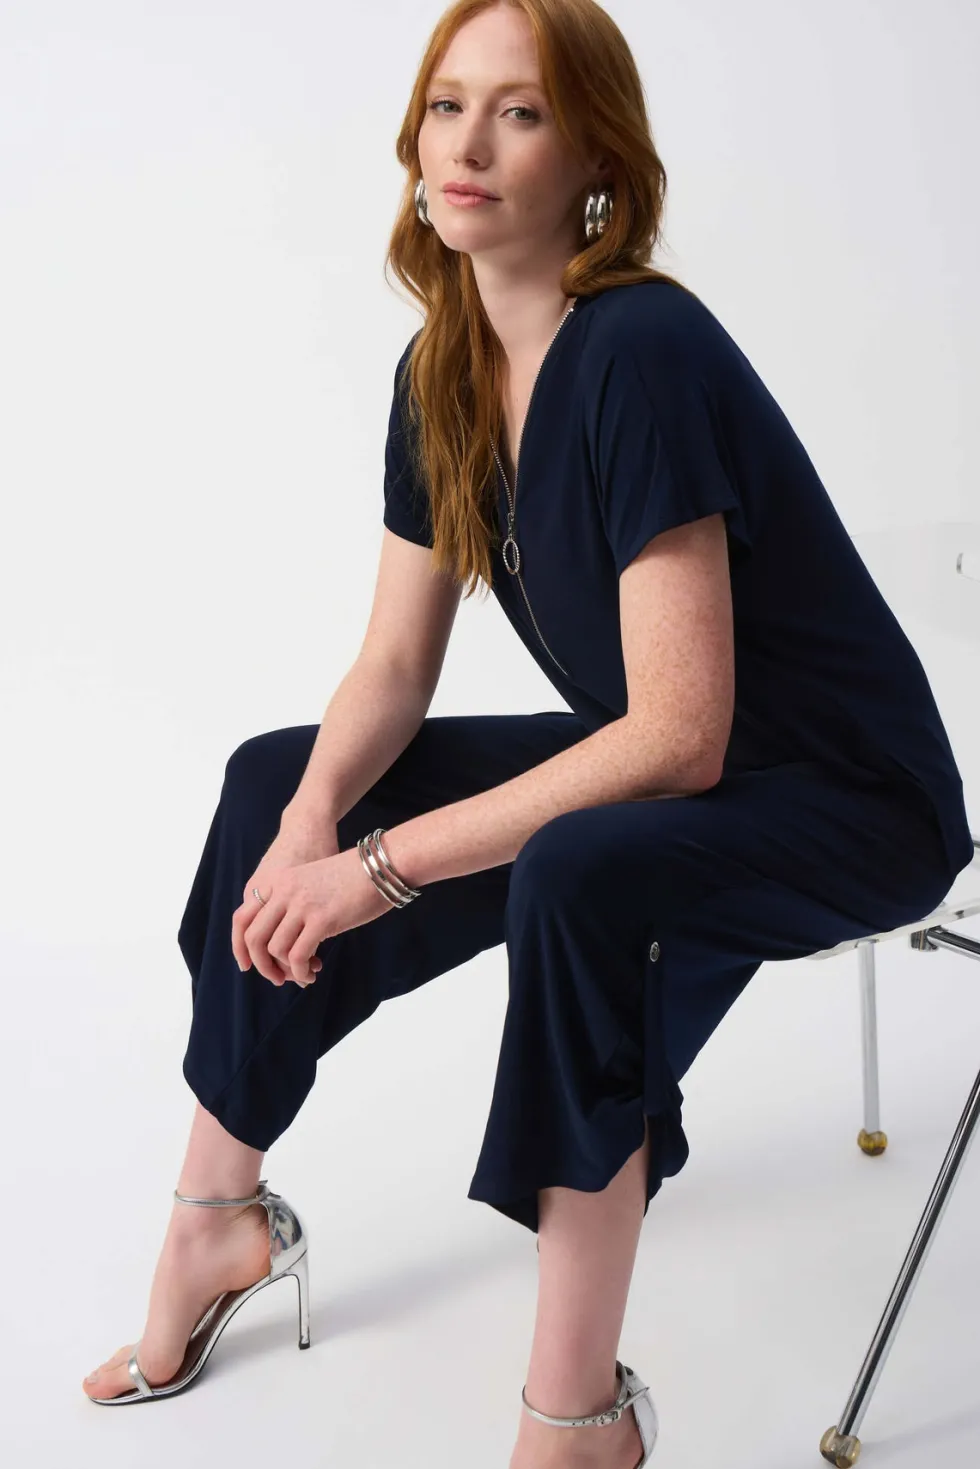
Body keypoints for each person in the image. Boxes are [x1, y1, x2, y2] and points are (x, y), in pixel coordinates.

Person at [82, 2, 975, 1466]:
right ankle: (216, 1220)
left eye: (522, 111)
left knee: (579, 876)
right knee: (271, 780)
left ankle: (576, 1417)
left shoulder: (643, 348)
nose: (470, 145)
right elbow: (393, 666)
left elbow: (679, 738)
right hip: (675, 778)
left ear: (597, 162)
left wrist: (379, 872)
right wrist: (312, 831)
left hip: (847, 802)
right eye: (449, 106)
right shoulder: (442, 369)